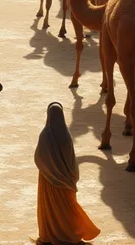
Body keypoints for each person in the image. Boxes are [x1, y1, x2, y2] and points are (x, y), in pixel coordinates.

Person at [34, 103, 100, 245]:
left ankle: (50, 235)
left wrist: (50, 173)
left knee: (51, 210)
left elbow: (39, 158)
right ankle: (69, 234)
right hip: (66, 184)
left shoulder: (45, 135)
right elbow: (72, 160)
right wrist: (71, 179)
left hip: (49, 183)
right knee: (67, 210)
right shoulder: (66, 136)